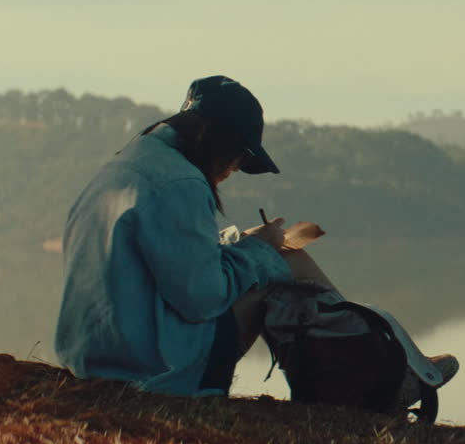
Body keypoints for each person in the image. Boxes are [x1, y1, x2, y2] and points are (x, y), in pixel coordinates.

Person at [55, 75, 323, 395]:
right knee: (290, 264)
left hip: (96, 358)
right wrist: (261, 250)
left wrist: (245, 244)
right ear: (218, 144)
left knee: (270, 258)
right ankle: (361, 367)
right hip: (153, 371)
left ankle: (366, 354)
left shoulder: (130, 163)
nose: (234, 170)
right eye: (238, 158)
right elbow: (202, 298)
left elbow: (166, 263)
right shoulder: (181, 183)